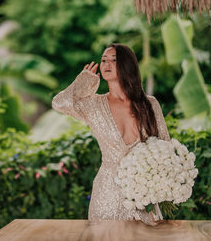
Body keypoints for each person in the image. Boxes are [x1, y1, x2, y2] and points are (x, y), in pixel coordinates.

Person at [51, 43, 170, 226]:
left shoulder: (149, 104)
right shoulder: (94, 105)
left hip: (143, 192)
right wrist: (84, 83)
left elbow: (165, 146)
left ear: (127, 66)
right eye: (104, 60)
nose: (106, 64)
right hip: (107, 191)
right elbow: (59, 103)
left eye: (114, 60)